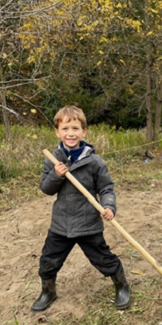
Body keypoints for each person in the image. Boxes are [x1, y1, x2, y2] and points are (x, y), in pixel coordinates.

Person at [31, 105, 131, 312]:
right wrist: (55, 175)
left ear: (84, 131)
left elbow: (106, 188)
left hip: (88, 224)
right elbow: (46, 189)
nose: (70, 133)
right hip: (61, 224)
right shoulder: (53, 158)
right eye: (65, 129)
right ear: (58, 132)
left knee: (103, 259)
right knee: (48, 261)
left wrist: (109, 206)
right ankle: (48, 291)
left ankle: (122, 286)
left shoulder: (94, 162)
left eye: (75, 128)